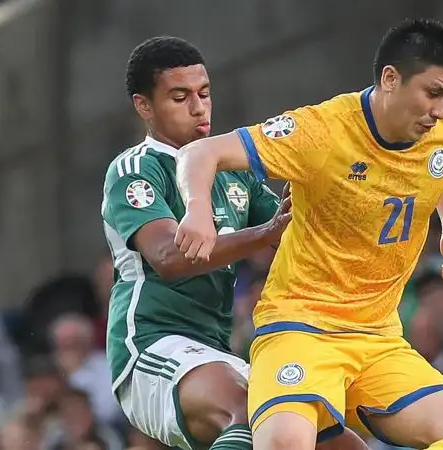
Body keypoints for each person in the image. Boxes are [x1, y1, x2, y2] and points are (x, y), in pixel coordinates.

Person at [174, 19, 443, 450]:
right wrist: (198, 209)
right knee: (284, 444)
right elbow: (201, 152)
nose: (440, 109)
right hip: (301, 327)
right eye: (432, 92)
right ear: (390, 79)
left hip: (377, 338)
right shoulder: (321, 132)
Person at [101, 36, 368, 450]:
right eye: (180, 97)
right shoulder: (136, 169)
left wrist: (337, 190)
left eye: (204, 93)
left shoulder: (232, 171)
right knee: (245, 413)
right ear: (144, 106)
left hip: (217, 349)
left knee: (337, 444)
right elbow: (169, 256)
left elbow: (295, 234)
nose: (198, 107)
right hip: (152, 343)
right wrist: (264, 233)